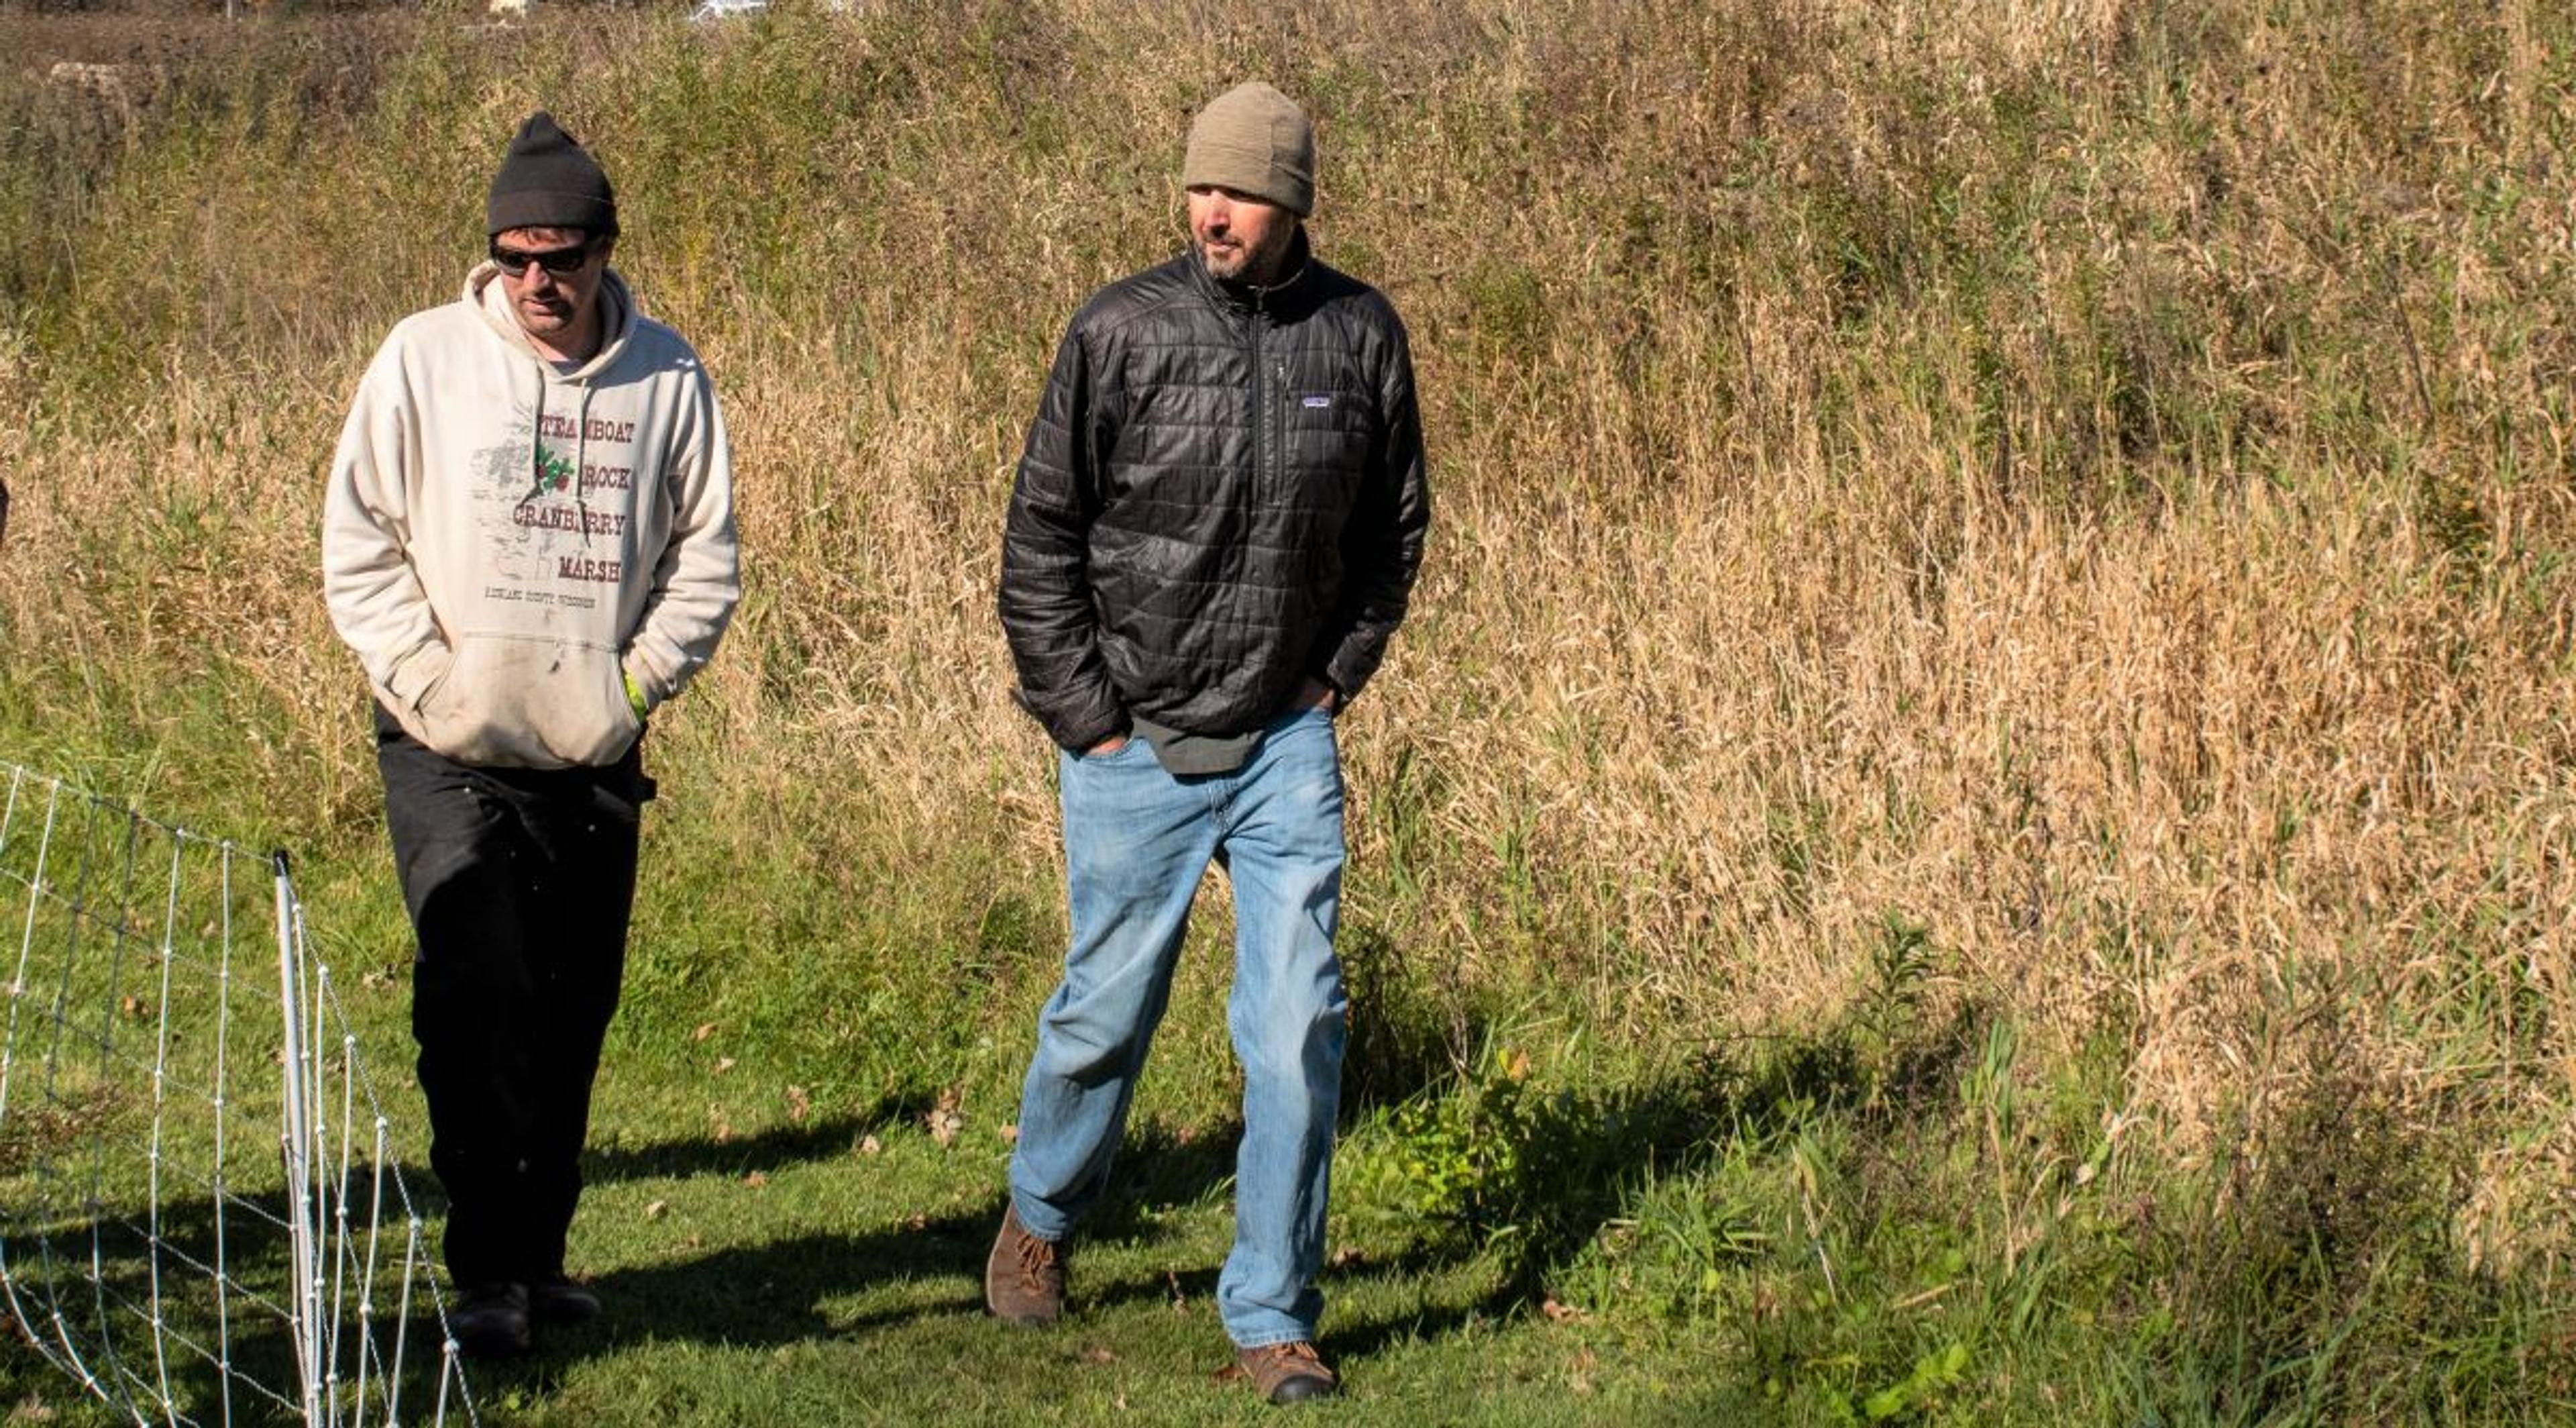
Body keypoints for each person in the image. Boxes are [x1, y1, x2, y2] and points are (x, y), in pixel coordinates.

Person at [992, 79, 1430, 1405]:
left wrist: (1330, 681)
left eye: (1239, 191)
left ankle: (1273, 1310)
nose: (1213, 212)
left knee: (1299, 1022)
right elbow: (1040, 538)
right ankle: (1041, 1216)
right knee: (1103, 1014)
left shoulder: (1359, 334)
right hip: (1134, 737)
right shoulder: (1118, 329)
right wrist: (1091, 720)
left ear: (1293, 202)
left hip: (1284, 743)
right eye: (1200, 187)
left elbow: (1393, 534)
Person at [321, 111, 738, 1358]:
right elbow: (359, 547)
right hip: (443, 747)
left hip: (591, 754)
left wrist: (634, 691)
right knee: (476, 991)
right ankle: (485, 1269)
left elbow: (704, 560)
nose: (539, 283)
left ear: (608, 251)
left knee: (572, 1007)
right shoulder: (421, 361)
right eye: (516, 259)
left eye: (562, 257)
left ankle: (541, 1257)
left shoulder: (668, 376)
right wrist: (426, 685)